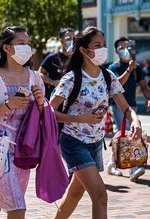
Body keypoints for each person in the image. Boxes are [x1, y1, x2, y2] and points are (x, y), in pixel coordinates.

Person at [50, 26, 143, 219]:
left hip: (95, 143)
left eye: (104, 45)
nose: (103, 49)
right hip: (73, 142)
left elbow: (126, 108)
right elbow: (49, 111)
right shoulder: (71, 78)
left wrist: (135, 121)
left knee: (74, 195)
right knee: (100, 195)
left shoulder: (108, 76)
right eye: (97, 45)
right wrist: (79, 119)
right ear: (84, 50)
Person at [0, 26, 45, 218]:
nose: (26, 48)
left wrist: (40, 104)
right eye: (21, 43)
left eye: (28, 44)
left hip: (24, 148)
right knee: (16, 205)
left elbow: (43, 116)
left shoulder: (35, 77)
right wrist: (7, 104)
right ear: (6, 48)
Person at [105, 37, 150, 181]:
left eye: (127, 47)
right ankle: (133, 169)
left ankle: (112, 164)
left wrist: (148, 98)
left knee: (123, 134)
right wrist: (128, 70)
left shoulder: (136, 67)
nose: (126, 50)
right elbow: (117, 84)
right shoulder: (114, 68)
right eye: (121, 47)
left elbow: (143, 85)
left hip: (132, 105)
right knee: (126, 135)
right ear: (116, 51)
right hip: (117, 106)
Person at [39, 27, 75, 98]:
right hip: (55, 97)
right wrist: (52, 82)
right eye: (68, 39)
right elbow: (40, 74)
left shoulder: (77, 57)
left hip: (73, 97)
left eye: (74, 38)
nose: (72, 41)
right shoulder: (52, 57)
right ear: (61, 41)